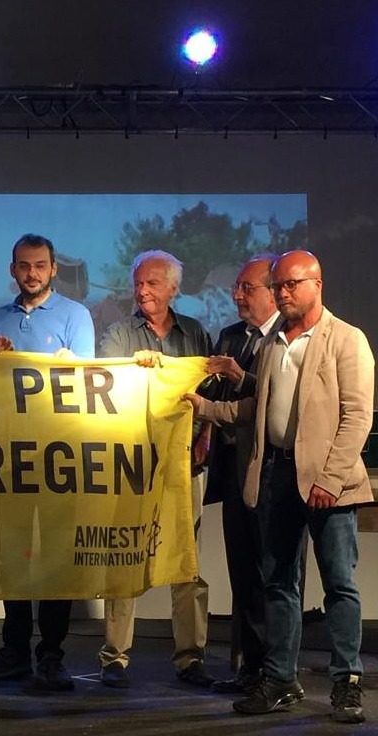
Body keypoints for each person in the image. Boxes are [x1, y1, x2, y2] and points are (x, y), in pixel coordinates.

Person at [186, 250, 374, 724]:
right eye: (278, 286)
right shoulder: (273, 344)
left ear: (317, 284)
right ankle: (280, 680)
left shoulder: (346, 339)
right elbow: (256, 406)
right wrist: (206, 409)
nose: (283, 293)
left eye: (291, 284)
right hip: (277, 476)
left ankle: (346, 682)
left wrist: (329, 479)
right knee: (279, 583)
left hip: (329, 484)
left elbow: (357, 418)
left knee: (339, 584)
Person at [0, 233, 95, 692]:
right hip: (11, 451)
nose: (32, 273)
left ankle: (52, 655)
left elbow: (87, 381)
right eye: (24, 265)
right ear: (13, 270)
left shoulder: (76, 315)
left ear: (53, 269)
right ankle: (15, 650)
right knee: (13, 554)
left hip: (60, 452)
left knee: (57, 554)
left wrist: (64, 365)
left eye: (40, 265)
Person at [97, 249, 214, 689]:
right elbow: (105, 387)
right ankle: (114, 656)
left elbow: (208, 392)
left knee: (187, 561)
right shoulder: (118, 334)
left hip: (185, 465)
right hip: (133, 466)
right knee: (125, 555)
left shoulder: (195, 333)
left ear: (173, 288)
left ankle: (190, 657)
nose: (142, 291)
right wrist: (136, 369)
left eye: (152, 283)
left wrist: (204, 436)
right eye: (138, 283)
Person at [203, 255, 281, 694]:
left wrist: (240, 376)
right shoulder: (230, 336)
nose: (237, 295)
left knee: (273, 574)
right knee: (243, 573)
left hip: (271, 472)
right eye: (236, 287)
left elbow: (276, 399)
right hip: (234, 471)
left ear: (272, 292)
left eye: (247, 288)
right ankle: (250, 669)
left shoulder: (286, 337)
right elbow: (210, 391)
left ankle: (277, 670)